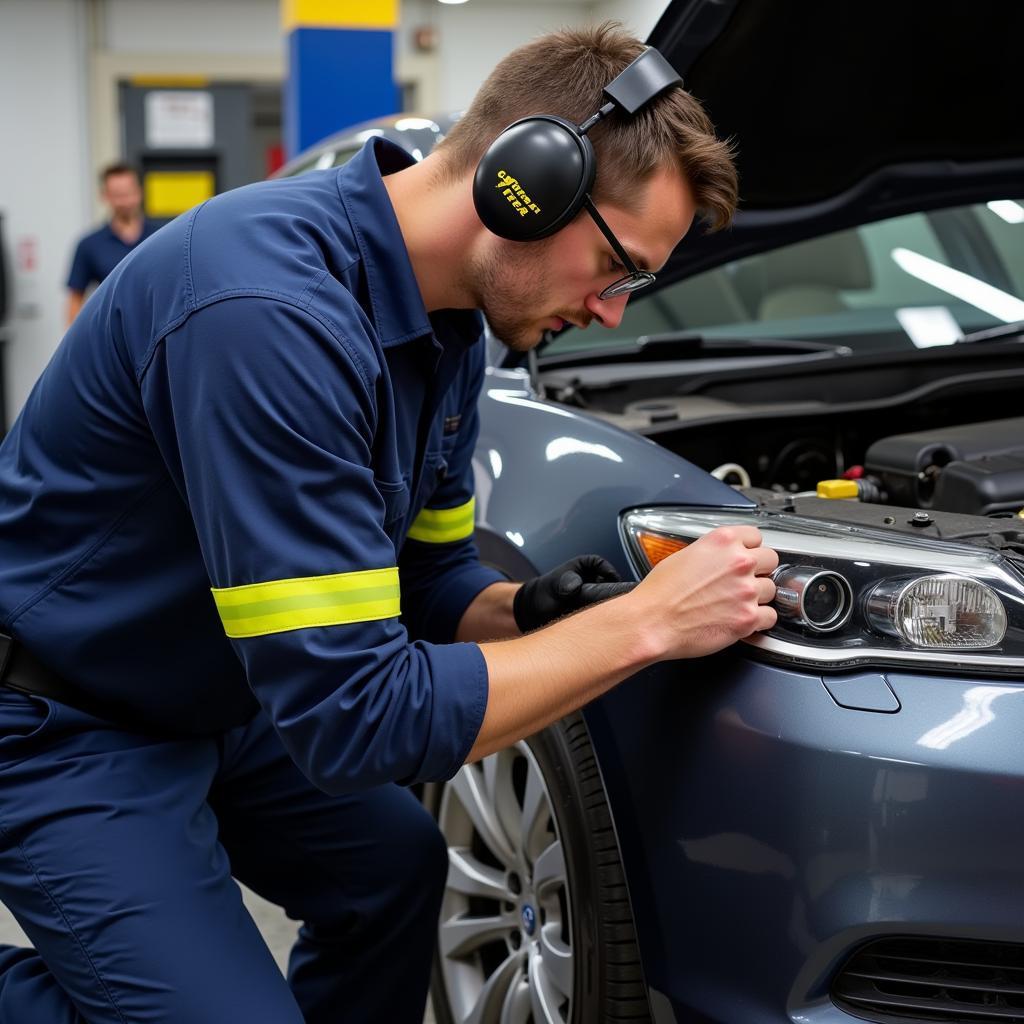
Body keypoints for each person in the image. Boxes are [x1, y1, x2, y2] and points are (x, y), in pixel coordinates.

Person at [0, 24, 777, 1024]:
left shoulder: (451, 329)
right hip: (63, 717)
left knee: (394, 867)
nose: (613, 313)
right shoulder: (264, 314)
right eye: (617, 267)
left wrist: (535, 610)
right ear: (523, 184)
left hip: (223, 688)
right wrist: (644, 627)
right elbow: (352, 718)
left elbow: (429, 580)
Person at [64, 163, 159, 326]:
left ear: (139, 192)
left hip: (157, 332)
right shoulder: (89, 244)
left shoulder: (159, 238)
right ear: (104, 196)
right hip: (112, 335)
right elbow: (75, 299)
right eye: (117, 195)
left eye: (128, 193)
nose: (125, 201)